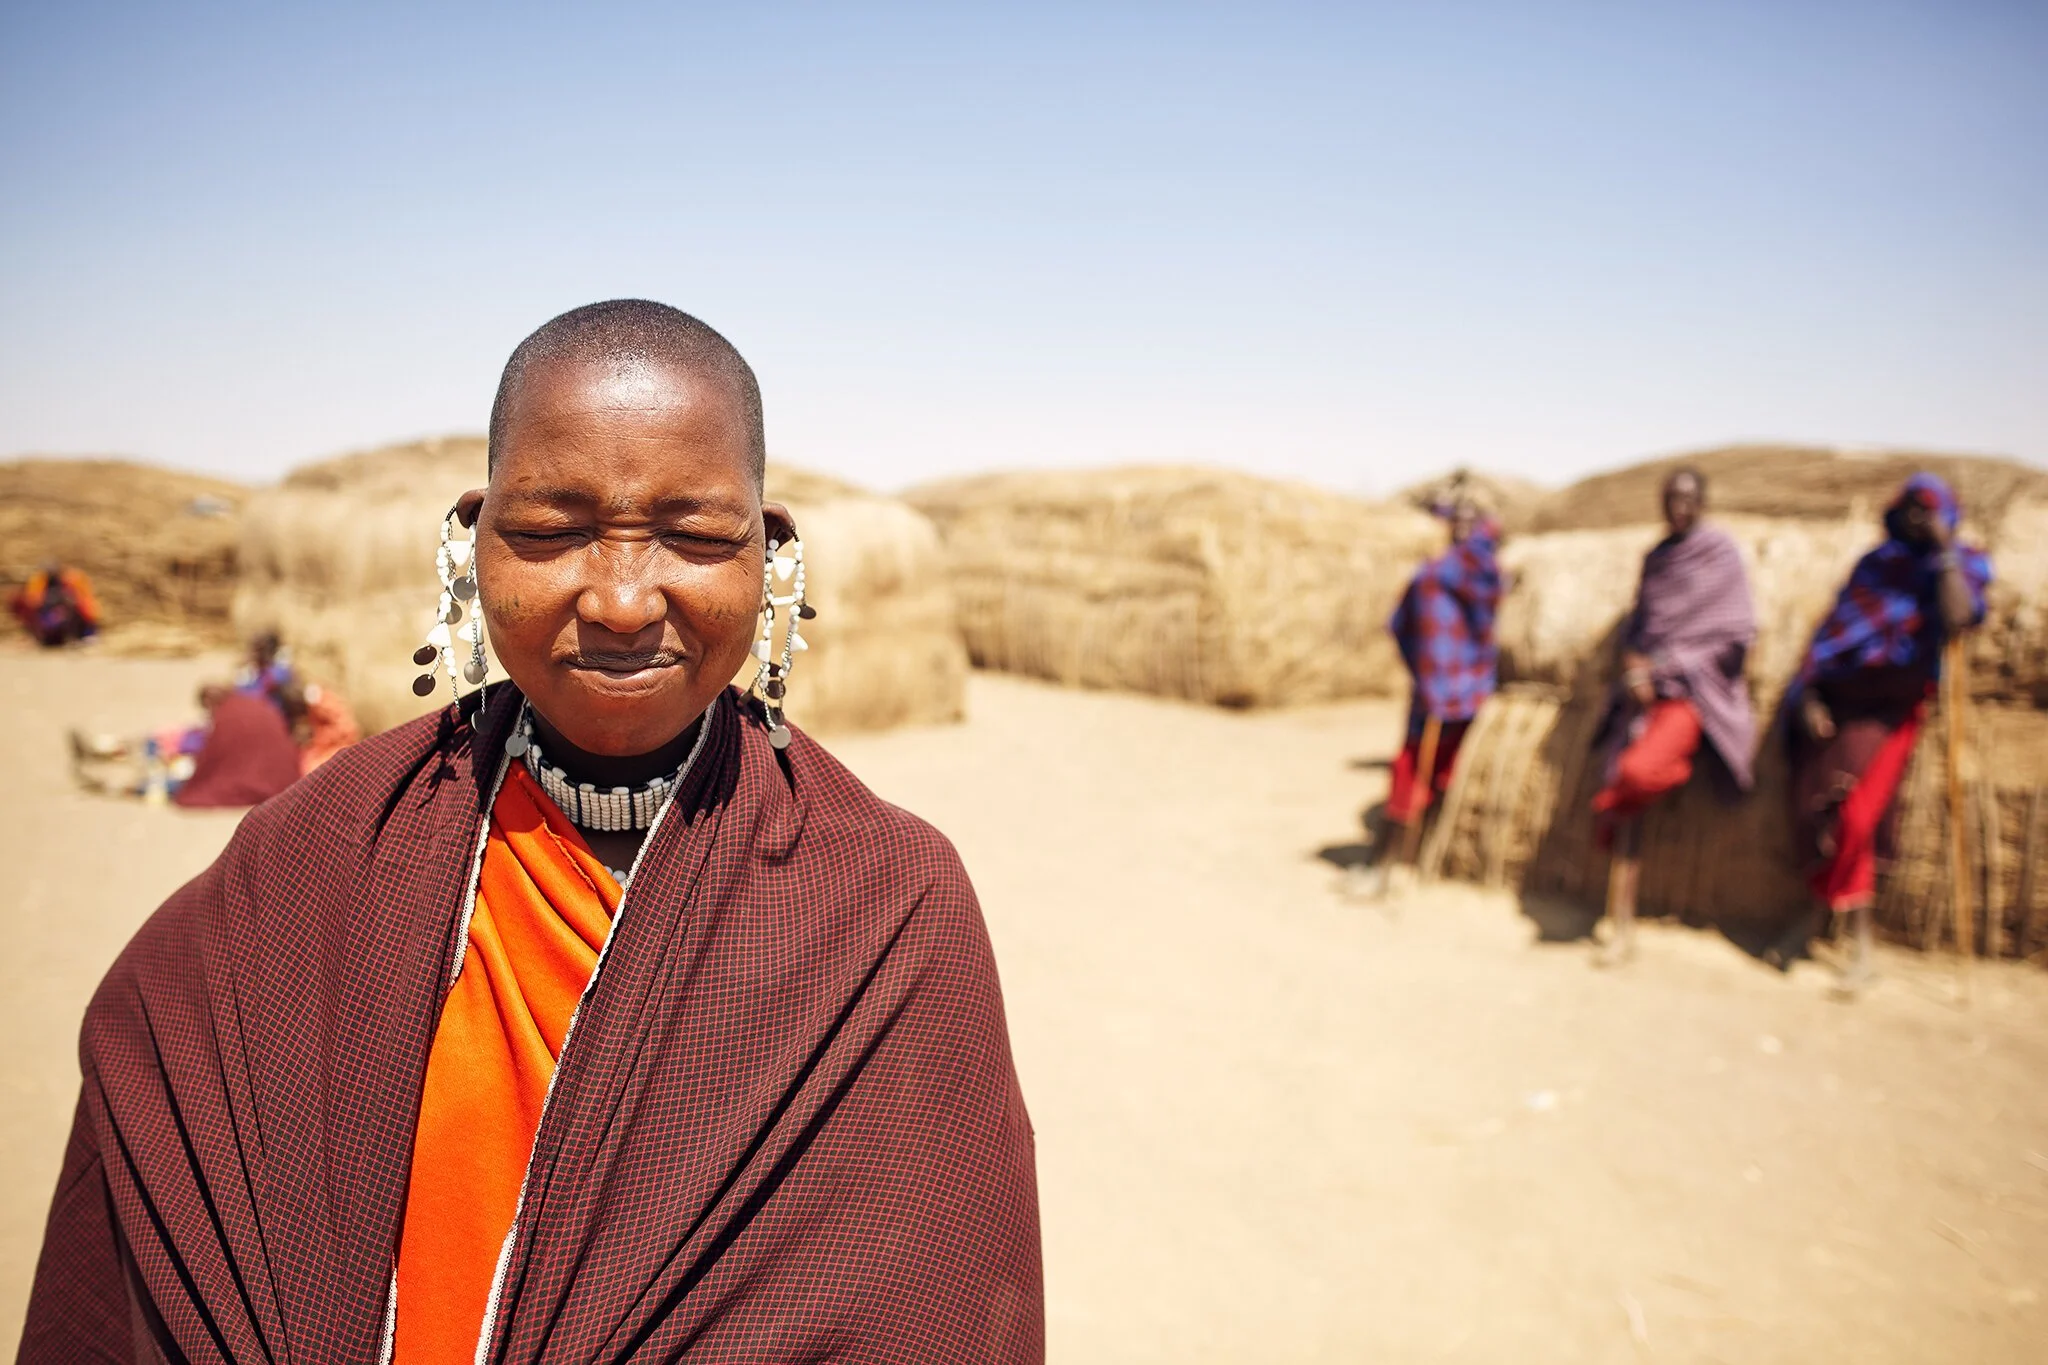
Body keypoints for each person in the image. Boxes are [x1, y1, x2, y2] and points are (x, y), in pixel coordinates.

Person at [22, 300, 1043, 1361]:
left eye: (693, 537)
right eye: (551, 534)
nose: (618, 599)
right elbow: (154, 1096)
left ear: (769, 550)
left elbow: (938, 1294)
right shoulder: (317, 853)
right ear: (471, 538)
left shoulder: (885, 906)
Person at [1770, 473, 1992, 990]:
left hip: (1892, 712)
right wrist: (1811, 696)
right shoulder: (1875, 567)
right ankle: (1812, 921)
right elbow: (1828, 641)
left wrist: (1943, 549)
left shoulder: (1958, 567)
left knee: (1856, 816)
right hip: (1838, 707)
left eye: (1927, 510)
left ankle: (1860, 944)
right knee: (1813, 813)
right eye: (1910, 509)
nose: (1916, 519)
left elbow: (1960, 616)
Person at [1587, 468, 1757, 963]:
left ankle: (1626, 797)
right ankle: (1621, 925)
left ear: (1703, 501)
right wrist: (1636, 668)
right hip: (1644, 694)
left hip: (1694, 694)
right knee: (1628, 799)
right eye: (1670, 498)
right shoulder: (1657, 558)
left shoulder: (1720, 555)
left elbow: (1735, 638)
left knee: (1633, 774)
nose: (1678, 507)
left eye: (1688, 498)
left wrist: (1667, 668)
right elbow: (1639, 629)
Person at [1375, 492, 1502, 880]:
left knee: (1447, 768)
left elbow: (1484, 621)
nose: (1462, 525)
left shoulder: (1481, 568)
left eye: (1470, 518)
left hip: (1468, 683)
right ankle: (1391, 859)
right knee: (1411, 766)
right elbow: (1412, 619)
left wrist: (1453, 672)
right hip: (1430, 681)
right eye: (1456, 518)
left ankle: (1428, 857)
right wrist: (1429, 669)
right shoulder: (1433, 567)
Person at [10, 562, 101, 646]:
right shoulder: (39, 584)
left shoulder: (70, 581)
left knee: (81, 610)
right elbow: (34, 601)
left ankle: (85, 636)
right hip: (49, 617)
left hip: (65, 613)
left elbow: (79, 601)